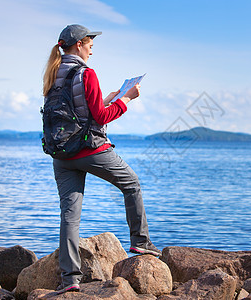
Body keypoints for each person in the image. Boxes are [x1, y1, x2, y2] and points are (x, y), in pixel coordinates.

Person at [42, 24, 161, 294]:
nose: (92, 52)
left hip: (61, 154)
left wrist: (107, 98)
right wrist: (126, 99)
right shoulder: (86, 73)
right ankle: (141, 241)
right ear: (79, 45)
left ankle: (70, 279)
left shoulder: (53, 73)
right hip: (90, 150)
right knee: (131, 183)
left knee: (69, 217)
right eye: (90, 46)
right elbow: (101, 117)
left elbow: (81, 109)